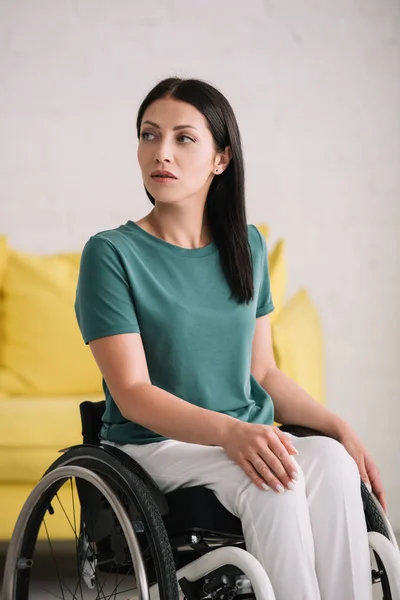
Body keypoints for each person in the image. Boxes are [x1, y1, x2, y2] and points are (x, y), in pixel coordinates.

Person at [75, 77, 386, 600]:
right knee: (278, 481)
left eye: (183, 138)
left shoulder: (247, 244)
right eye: (150, 136)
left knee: (330, 463)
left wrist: (337, 428)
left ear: (221, 158)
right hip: (154, 445)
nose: (162, 153)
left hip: (238, 436)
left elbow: (261, 371)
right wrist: (228, 433)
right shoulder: (110, 254)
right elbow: (132, 392)